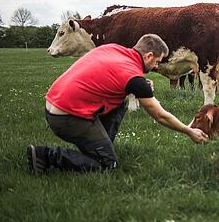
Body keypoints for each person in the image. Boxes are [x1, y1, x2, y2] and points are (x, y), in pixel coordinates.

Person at [27, 33, 208, 173]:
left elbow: (107, 76)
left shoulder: (113, 49)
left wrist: (137, 85)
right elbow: (160, 115)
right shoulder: (133, 77)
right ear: (149, 55)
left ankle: (101, 146)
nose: (156, 67)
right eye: (157, 61)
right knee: (107, 165)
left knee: (121, 101)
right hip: (67, 118)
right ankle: (45, 155)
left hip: (54, 105)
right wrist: (189, 131)